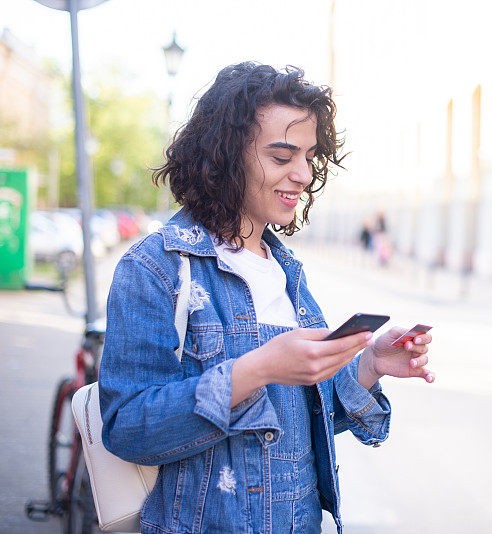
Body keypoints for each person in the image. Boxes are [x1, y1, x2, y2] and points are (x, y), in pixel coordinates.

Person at [98, 62, 434, 534]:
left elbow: (298, 423)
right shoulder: (154, 268)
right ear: (224, 155)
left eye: (309, 156)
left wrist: (371, 364)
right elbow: (127, 427)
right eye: (281, 157)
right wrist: (257, 370)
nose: (303, 174)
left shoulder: (286, 272)